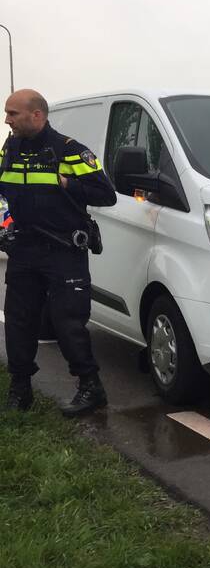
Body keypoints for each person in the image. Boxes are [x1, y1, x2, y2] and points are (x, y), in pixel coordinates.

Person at [1, 89, 116, 415]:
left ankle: (91, 387)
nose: (7, 119)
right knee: (19, 322)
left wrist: (68, 184)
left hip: (63, 250)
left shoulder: (70, 151)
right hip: (24, 248)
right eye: (7, 113)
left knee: (68, 323)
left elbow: (106, 194)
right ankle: (20, 389)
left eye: (13, 113)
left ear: (36, 115)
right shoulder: (10, 149)